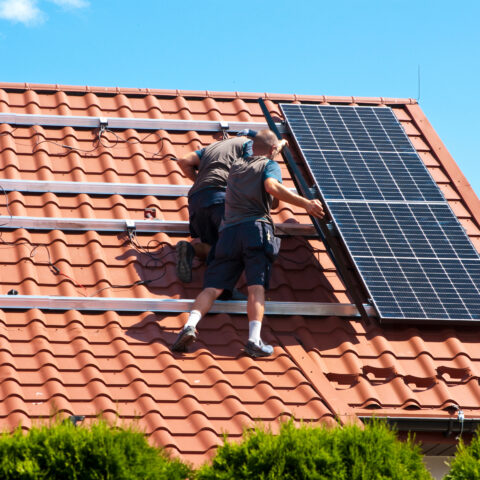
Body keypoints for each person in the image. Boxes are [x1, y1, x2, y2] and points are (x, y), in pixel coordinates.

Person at [171, 129, 325, 358]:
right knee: (256, 286)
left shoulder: (236, 167)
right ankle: (254, 340)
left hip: (229, 234)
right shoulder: (268, 165)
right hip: (255, 229)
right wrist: (306, 204)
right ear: (273, 151)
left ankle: (189, 325)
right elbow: (272, 189)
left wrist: (275, 145)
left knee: (212, 288)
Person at [174, 130, 257, 284]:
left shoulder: (211, 148)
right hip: (222, 198)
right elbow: (251, 169)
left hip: (196, 200)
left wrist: (201, 181)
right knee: (234, 246)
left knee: (216, 247)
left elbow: (183, 161)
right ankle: (224, 290)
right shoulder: (248, 143)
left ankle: (191, 250)